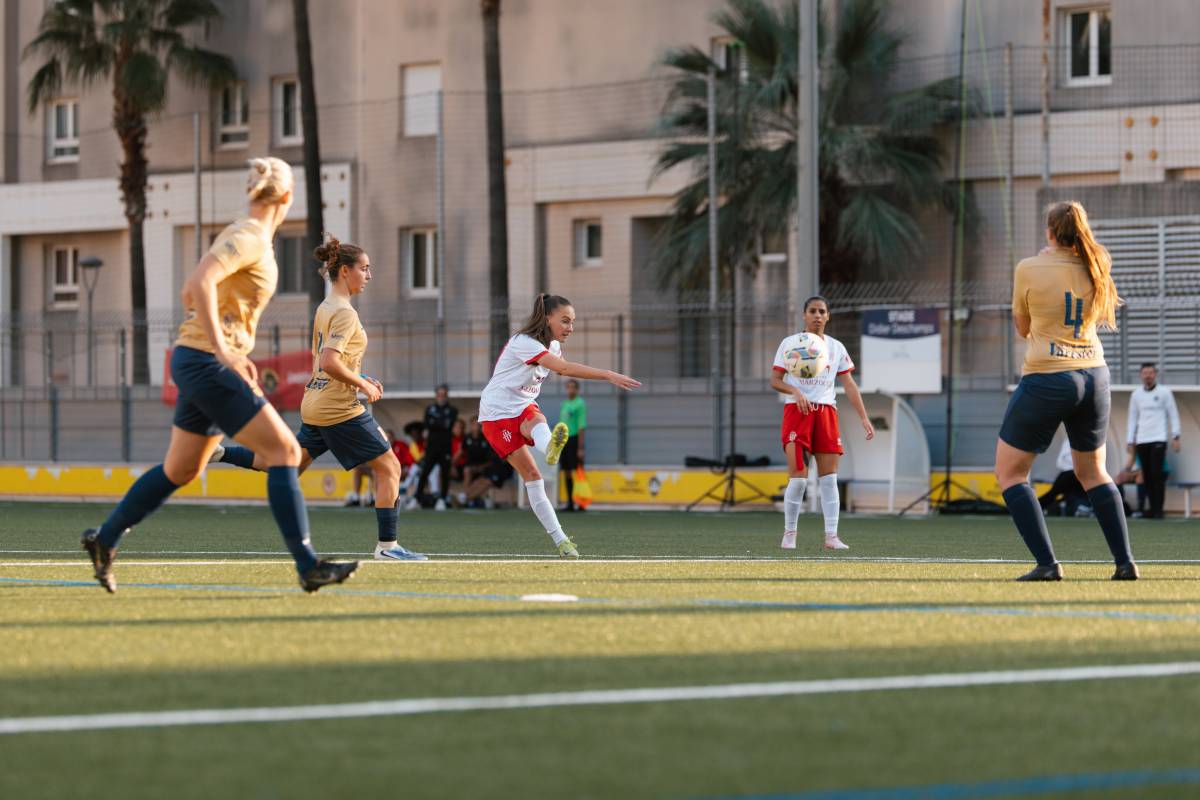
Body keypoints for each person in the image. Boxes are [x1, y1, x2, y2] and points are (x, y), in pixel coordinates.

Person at [81, 158, 358, 593]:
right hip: (206, 363)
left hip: (195, 360)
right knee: (286, 452)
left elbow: (190, 291)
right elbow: (200, 281)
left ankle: (106, 539)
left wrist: (223, 340)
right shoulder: (248, 235)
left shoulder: (251, 237)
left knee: (181, 469)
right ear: (287, 197)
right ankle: (308, 565)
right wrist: (225, 348)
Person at [211, 234, 426, 562]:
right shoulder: (344, 313)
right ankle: (388, 547)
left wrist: (359, 377)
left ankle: (219, 452)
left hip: (317, 402)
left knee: (290, 463)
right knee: (389, 466)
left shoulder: (328, 307)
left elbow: (327, 362)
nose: (369, 276)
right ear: (344, 272)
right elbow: (328, 361)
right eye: (364, 269)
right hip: (336, 407)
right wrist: (363, 386)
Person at [995, 200, 1137, 581]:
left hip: (1048, 376)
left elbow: (1023, 329)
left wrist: (1046, 260)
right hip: (1095, 376)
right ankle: (1125, 563)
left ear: (1050, 232)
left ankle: (1047, 564)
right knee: (1094, 473)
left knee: (1010, 473)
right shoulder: (1098, 263)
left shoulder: (1029, 267)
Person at [478, 293, 641, 556]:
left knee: (537, 420)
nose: (570, 328)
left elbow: (560, 365)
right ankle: (559, 533)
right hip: (496, 413)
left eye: (572, 322)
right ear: (547, 318)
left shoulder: (552, 346)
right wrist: (608, 374)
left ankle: (550, 452)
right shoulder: (524, 342)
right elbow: (564, 370)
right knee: (532, 476)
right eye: (565, 321)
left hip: (523, 406)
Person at [770, 295, 875, 551]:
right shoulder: (790, 344)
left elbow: (849, 384)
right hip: (797, 413)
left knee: (829, 479)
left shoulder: (836, 348)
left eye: (822, 311)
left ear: (828, 316)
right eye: (813, 311)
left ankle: (831, 537)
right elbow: (775, 379)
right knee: (799, 478)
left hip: (826, 413)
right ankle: (790, 534)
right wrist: (795, 392)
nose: (817, 316)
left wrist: (864, 417)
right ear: (804, 316)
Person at [1125, 362, 1181, 519]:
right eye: (1145, 373)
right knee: (1147, 476)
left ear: (1155, 374)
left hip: (1158, 438)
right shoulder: (1136, 395)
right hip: (1142, 440)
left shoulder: (1165, 393)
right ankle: (1151, 507)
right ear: (1141, 375)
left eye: (1150, 372)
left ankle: (1158, 509)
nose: (1148, 375)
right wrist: (1130, 440)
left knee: (1157, 475)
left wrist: (1176, 436)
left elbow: (1173, 414)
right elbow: (1132, 419)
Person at [410, 384, 458, 511]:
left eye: (443, 395)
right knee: (425, 472)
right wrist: (439, 423)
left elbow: (447, 425)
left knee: (445, 473)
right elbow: (427, 425)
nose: (441, 397)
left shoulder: (452, 410)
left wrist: (435, 422)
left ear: (447, 396)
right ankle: (417, 498)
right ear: (436, 396)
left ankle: (442, 499)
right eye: (439, 395)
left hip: (445, 447)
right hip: (431, 447)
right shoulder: (429, 409)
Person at [557, 379, 588, 511]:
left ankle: (581, 502)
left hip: (574, 439)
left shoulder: (579, 404)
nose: (570, 390)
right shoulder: (565, 404)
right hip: (564, 440)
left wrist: (580, 448)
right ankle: (570, 502)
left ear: (577, 389)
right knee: (567, 471)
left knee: (578, 471)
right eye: (568, 387)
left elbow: (581, 426)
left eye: (573, 387)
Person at [1038, 438, 1086, 516]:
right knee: (1080, 495)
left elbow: (1059, 462)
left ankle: (1035, 508)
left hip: (1068, 473)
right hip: (1079, 474)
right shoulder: (1085, 440)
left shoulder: (1068, 441)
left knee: (1052, 494)